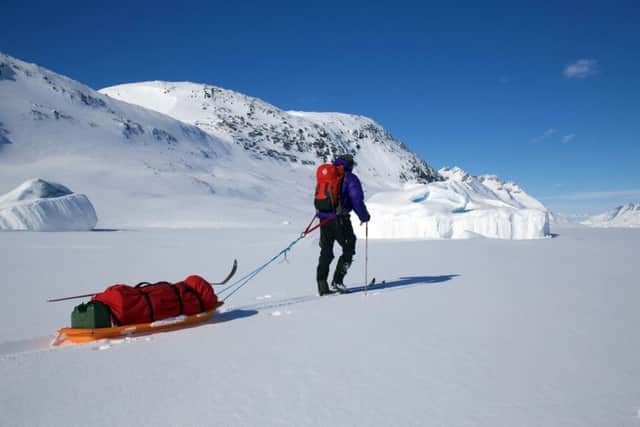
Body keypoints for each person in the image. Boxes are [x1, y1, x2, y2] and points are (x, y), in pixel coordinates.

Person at [316, 154, 370, 296]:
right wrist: (364, 216)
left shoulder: (327, 175)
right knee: (349, 247)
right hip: (340, 219)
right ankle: (337, 281)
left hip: (324, 219)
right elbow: (356, 199)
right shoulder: (349, 178)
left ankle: (322, 284)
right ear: (350, 164)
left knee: (326, 251)